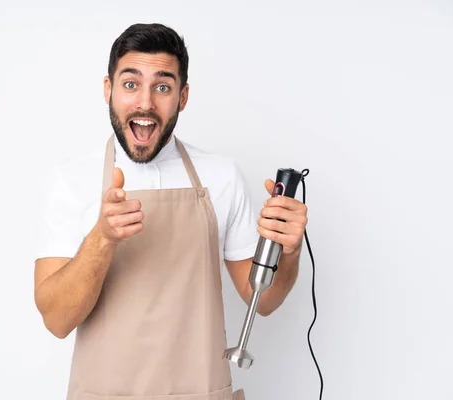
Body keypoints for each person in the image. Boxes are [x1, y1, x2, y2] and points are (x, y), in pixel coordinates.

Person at [34, 23, 309, 400]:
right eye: (131, 84)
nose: (145, 103)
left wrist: (288, 252)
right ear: (107, 90)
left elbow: (264, 300)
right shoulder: (70, 181)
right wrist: (102, 237)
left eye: (162, 87)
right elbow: (56, 320)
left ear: (182, 96)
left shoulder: (221, 176)